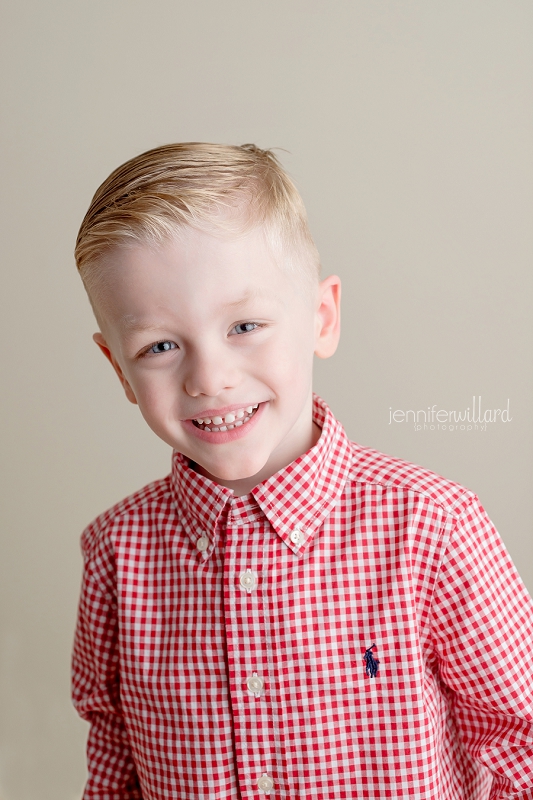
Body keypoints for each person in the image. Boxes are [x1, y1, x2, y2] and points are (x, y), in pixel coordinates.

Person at [72, 143, 533, 800]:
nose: (209, 378)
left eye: (245, 325)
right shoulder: (115, 555)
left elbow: (522, 737)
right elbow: (113, 758)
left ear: (321, 317)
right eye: (161, 346)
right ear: (119, 368)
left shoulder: (432, 527)